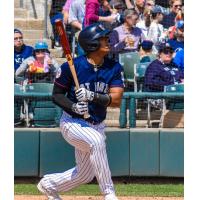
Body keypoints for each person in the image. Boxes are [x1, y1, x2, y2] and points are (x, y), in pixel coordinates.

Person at [37, 23, 124, 200]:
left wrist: (92, 95)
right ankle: (109, 193)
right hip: (72, 122)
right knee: (97, 142)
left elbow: (116, 100)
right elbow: (57, 95)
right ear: (91, 44)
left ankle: (48, 184)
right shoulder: (72, 66)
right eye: (103, 38)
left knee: (84, 175)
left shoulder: (114, 67)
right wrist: (73, 106)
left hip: (97, 123)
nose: (108, 41)